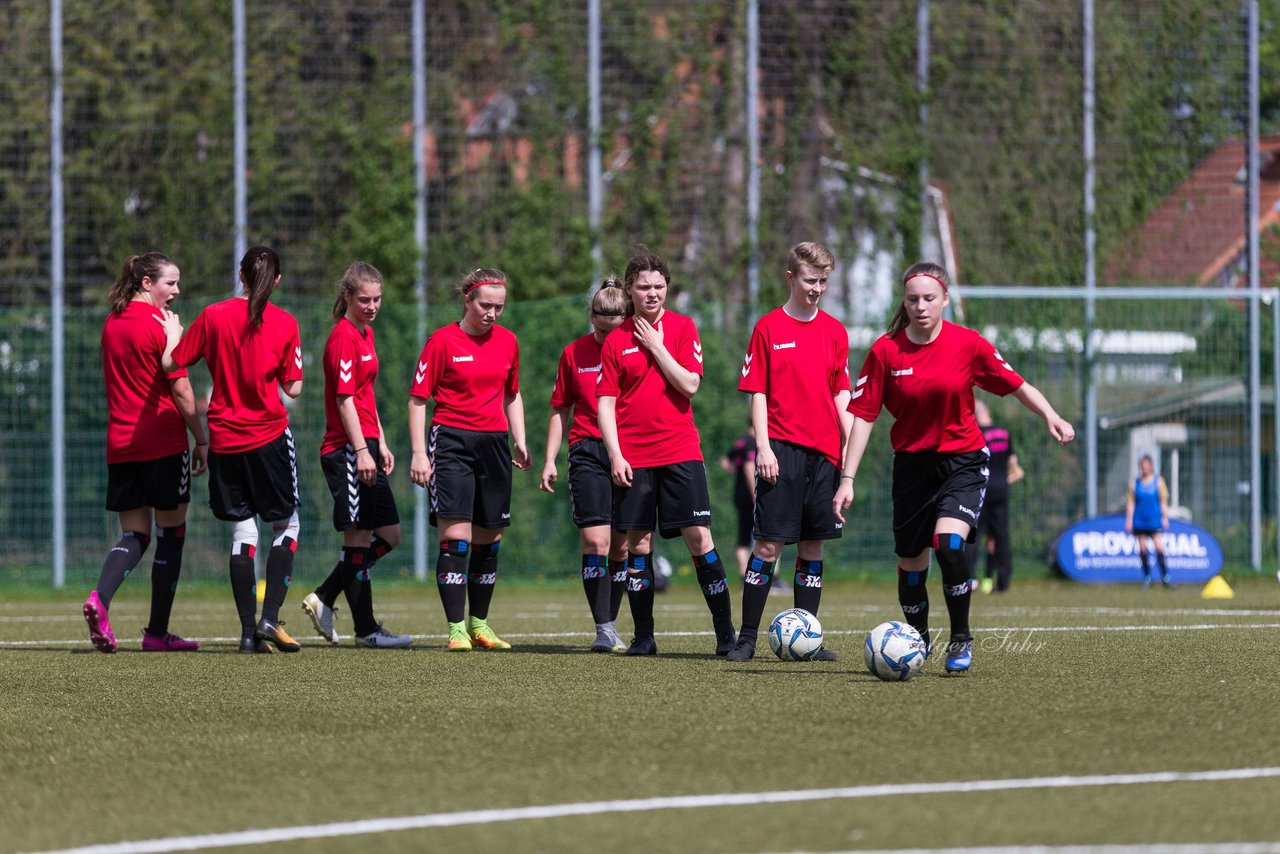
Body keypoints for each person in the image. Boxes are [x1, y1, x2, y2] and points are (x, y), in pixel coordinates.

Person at [833, 261, 1074, 674]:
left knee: (948, 543)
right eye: (913, 300)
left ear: (945, 299)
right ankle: (918, 640)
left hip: (962, 462)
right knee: (911, 561)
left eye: (929, 298)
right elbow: (865, 418)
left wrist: (1050, 414)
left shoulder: (969, 344)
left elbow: (1016, 384)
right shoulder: (885, 351)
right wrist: (847, 479)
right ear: (904, 302)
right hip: (911, 469)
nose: (921, 306)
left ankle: (960, 638)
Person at [159, 246, 305, 654]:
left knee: (244, 530)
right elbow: (293, 387)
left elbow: (174, 364)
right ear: (276, 281)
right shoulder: (286, 322)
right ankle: (270, 620)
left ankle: (246, 634)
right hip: (270, 438)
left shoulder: (213, 316)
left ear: (241, 276)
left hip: (224, 439)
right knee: (287, 525)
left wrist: (173, 337)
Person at [597, 249, 735, 656]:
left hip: (680, 452)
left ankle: (725, 634)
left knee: (699, 538)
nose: (652, 293)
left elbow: (689, 385)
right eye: (644, 287)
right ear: (629, 290)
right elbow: (605, 403)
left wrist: (657, 347)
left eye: (659, 286)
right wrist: (616, 455)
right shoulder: (615, 340)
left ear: (667, 288)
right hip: (634, 458)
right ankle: (643, 636)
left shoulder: (683, 328)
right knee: (638, 545)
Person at [725, 242, 850, 662]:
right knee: (767, 547)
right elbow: (757, 392)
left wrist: (849, 444)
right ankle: (746, 639)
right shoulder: (768, 328)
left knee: (813, 548)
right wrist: (763, 447)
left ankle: (807, 640)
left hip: (826, 455)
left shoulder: (836, 331)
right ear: (791, 277)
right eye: (811, 280)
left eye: (824, 281)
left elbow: (841, 391)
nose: (817, 288)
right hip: (780, 451)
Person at [83, 252, 209, 654]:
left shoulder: (111, 323)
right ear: (146, 283)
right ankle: (156, 633)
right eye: (170, 283)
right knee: (171, 531)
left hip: (121, 444)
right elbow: (182, 388)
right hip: (163, 442)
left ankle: (99, 600)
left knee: (135, 534)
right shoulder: (160, 325)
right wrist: (202, 440)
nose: (176, 291)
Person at [409, 268, 531, 651]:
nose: (492, 313)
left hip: (494, 443)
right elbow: (418, 399)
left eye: (499, 307)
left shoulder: (508, 342)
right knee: (456, 539)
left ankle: (480, 625)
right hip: (451, 443)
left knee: (489, 539)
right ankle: (456, 629)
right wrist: (418, 453)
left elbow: (512, 394)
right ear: (467, 300)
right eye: (485, 305)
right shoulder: (441, 341)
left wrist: (521, 439)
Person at [300, 263, 412, 649]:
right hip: (346, 449)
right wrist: (361, 449)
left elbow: (364, 394)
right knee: (359, 540)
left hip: (366, 444)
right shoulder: (343, 338)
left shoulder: (367, 334)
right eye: (364, 299)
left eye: (377, 298)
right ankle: (366, 630)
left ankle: (326, 595)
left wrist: (380, 440)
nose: (372, 305)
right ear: (346, 296)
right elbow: (344, 399)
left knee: (390, 534)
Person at [539, 278, 630, 653]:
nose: (608, 337)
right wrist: (549, 459)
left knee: (622, 548)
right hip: (587, 451)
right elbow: (560, 409)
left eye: (616, 328)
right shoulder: (573, 353)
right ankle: (604, 628)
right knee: (596, 540)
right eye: (601, 328)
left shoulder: (638, 349)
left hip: (631, 451)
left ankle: (615, 622)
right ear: (592, 317)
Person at [966, 400, 1024, 594]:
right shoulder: (1004, 433)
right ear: (988, 411)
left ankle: (970, 580)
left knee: (973, 536)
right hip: (1001, 490)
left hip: (981, 490)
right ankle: (1004, 581)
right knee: (1001, 537)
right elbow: (1014, 466)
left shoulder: (976, 435)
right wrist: (1004, 481)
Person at [719, 423, 765, 584]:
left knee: (743, 537)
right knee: (768, 535)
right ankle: (769, 578)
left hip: (739, 495)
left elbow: (725, 462)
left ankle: (744, 578)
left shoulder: (740, 442)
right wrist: (756, 494)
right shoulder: (753, 441)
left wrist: (735, 472)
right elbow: (748, 467)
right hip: (752, 496)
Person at [1126, 453, 1171, 588]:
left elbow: (1162, 501)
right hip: (1139, 520)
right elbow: (1131, 503)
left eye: (1146, 465)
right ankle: (1147, 577)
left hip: (1154, 520)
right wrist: (1129, 520)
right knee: (1143, 549)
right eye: (1142, 465)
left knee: (1159, 547)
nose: (1144, 468)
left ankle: (1165, 576)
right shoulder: (1134, 483)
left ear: (1151, 466)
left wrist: (1164, 516)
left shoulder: (1158, 482)